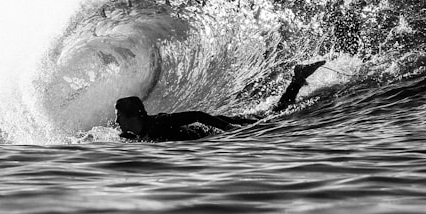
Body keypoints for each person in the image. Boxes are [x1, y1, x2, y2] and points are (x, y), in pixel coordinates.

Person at [116, 60, 327, 142]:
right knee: (272, 112)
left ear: (133, 116)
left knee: (273, 116)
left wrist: (227, 128)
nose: (117, 122)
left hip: (221, 124)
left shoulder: (159, 123)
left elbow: (197, 115)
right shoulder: (140, 132)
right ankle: (297, 79)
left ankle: (297, 79)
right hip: (217, 128)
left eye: (119, 117)